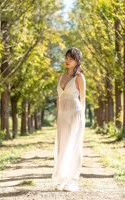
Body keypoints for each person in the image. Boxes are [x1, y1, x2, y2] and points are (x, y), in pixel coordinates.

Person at [51, 47, 86, 192]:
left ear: (77, 61)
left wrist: (82, 118)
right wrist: (58, 116)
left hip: (75, 113)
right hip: (63, 115)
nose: (67, 61)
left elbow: (83, 99)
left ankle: (73, 181)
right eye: (66, 58)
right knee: (62, 146)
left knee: (73, 146)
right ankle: (62, 178)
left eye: (71, 59)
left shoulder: (80, 77)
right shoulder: (61, 77)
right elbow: (59, 98)